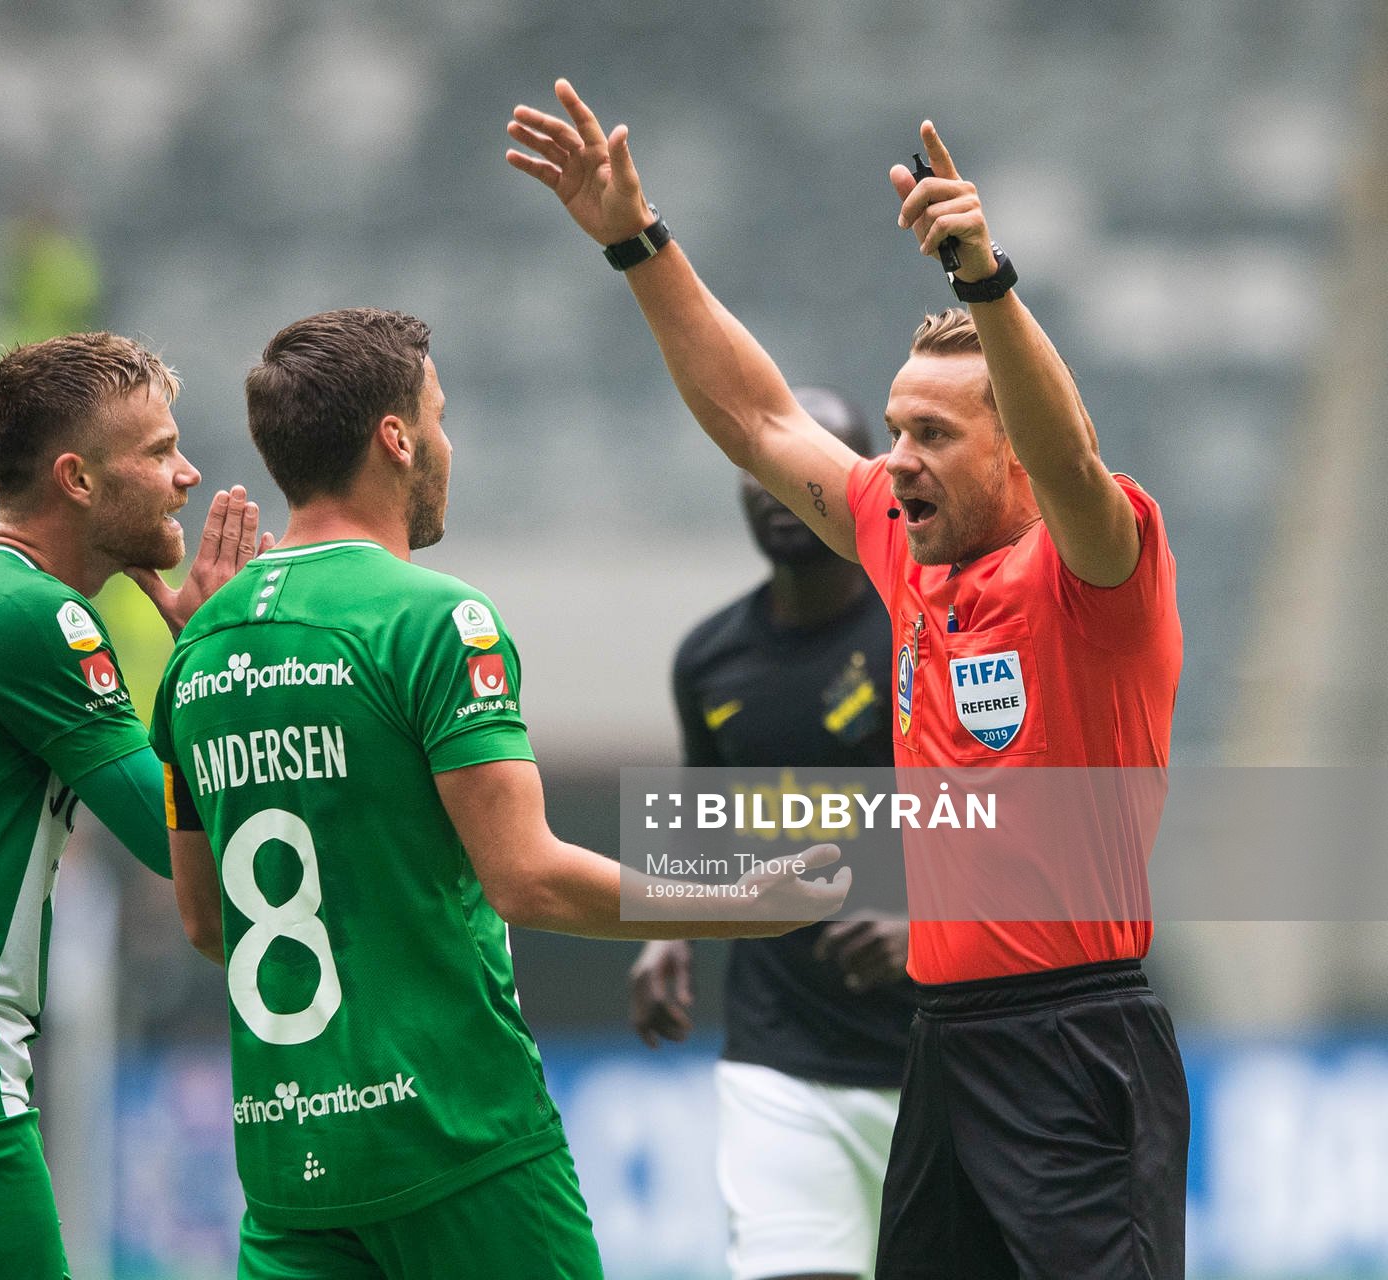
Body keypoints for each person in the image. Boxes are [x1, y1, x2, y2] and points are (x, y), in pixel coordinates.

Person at [508, 85, 1186, 1279]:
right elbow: (758, 417)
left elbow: (1071, 456)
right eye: (892, 429)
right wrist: (636, 240)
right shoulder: (902, 544)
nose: (895, 460)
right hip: (944, 1042)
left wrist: (985, 278)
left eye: (932, 436)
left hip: (1078, 1038)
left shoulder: (1096, 567)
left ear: (1010, 448)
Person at [149, 307, 852, 1280]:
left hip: (290, 1170)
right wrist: (743, 897)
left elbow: (203, 917)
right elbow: (528, 878)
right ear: (395, 438)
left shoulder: (197, 646)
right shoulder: (439, 619)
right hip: (459, 1140)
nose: (447, 441)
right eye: (438, 416)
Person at [0, 332, 266, 1279]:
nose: (188, 475)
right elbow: (175, 838)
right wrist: (214, 654)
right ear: (77, 478)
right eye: (158, 452)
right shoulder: (35, 615)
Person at [631, 386, 912, 1280]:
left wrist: (932, 924)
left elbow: (1011, 813)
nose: (782, 494)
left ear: (866, 484)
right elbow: (702, 808)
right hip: (781, 1053)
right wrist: (668, 926)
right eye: (765, 475)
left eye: (811, 473)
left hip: (940, 1051)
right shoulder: (710, 659)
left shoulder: (925, 631)